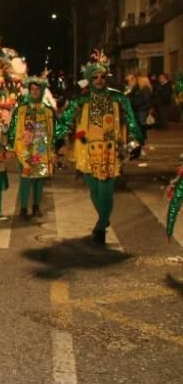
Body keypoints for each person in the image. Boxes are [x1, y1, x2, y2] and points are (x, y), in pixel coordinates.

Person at [55, 51, 144, 245]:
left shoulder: (119, 98)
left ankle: (102, 226)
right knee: (94, 190)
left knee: (106, 189)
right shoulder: (81, 99)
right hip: (86, 148)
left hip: (111, 148)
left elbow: (131, 119)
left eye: (102, 77)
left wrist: (136, 141)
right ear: (89, 79)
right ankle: (103, 222)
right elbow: (66, 120)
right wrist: (58, 140)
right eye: (94, 77)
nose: (99, 80)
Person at [8, 75, 57, 220]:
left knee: (39, 179)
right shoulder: (21, 109)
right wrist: (11, 148)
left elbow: (53, 132)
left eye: (38, 89)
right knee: (25, 179)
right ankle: (23, 208)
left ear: (42, 91)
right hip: (24, 149)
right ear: (29, 91)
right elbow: (13, 128)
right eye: (33, 89)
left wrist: (53, 151)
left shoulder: (48, 111)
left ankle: (36, 206)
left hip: (42, 149)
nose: (35, 92)